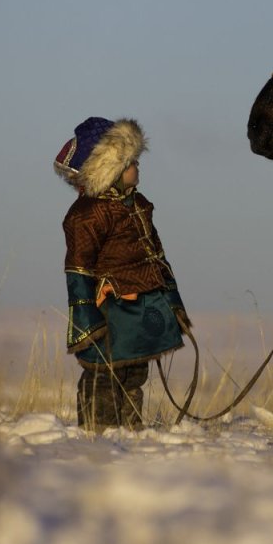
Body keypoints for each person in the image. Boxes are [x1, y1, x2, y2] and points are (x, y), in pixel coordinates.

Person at [53, 117, 191, 431]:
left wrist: (173, 302)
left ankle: (130, 433)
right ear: (110, 169)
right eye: (131, 162)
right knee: (104, 371)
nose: (138, 167)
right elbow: (78, 268)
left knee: (133, 372)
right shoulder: (86, 214)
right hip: (108, 308)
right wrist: (86, 321)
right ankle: (98, 434)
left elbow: (157, 257)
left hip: (142, 305)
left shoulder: (138, 204)